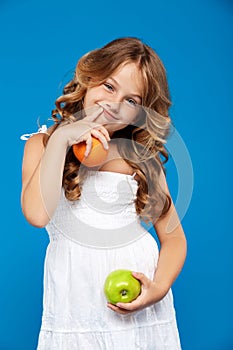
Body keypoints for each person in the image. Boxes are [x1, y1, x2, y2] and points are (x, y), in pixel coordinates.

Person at [21, 37, 187, 349]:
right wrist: (62, 140)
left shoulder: (140, 157)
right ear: (89, 78)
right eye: (109, 86)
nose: (114, 105)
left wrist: (159, 287)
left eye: (132, 100)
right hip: (75, 301)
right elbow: (37, 214)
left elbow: (175, 238)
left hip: (138, 301)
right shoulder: (42, 146)